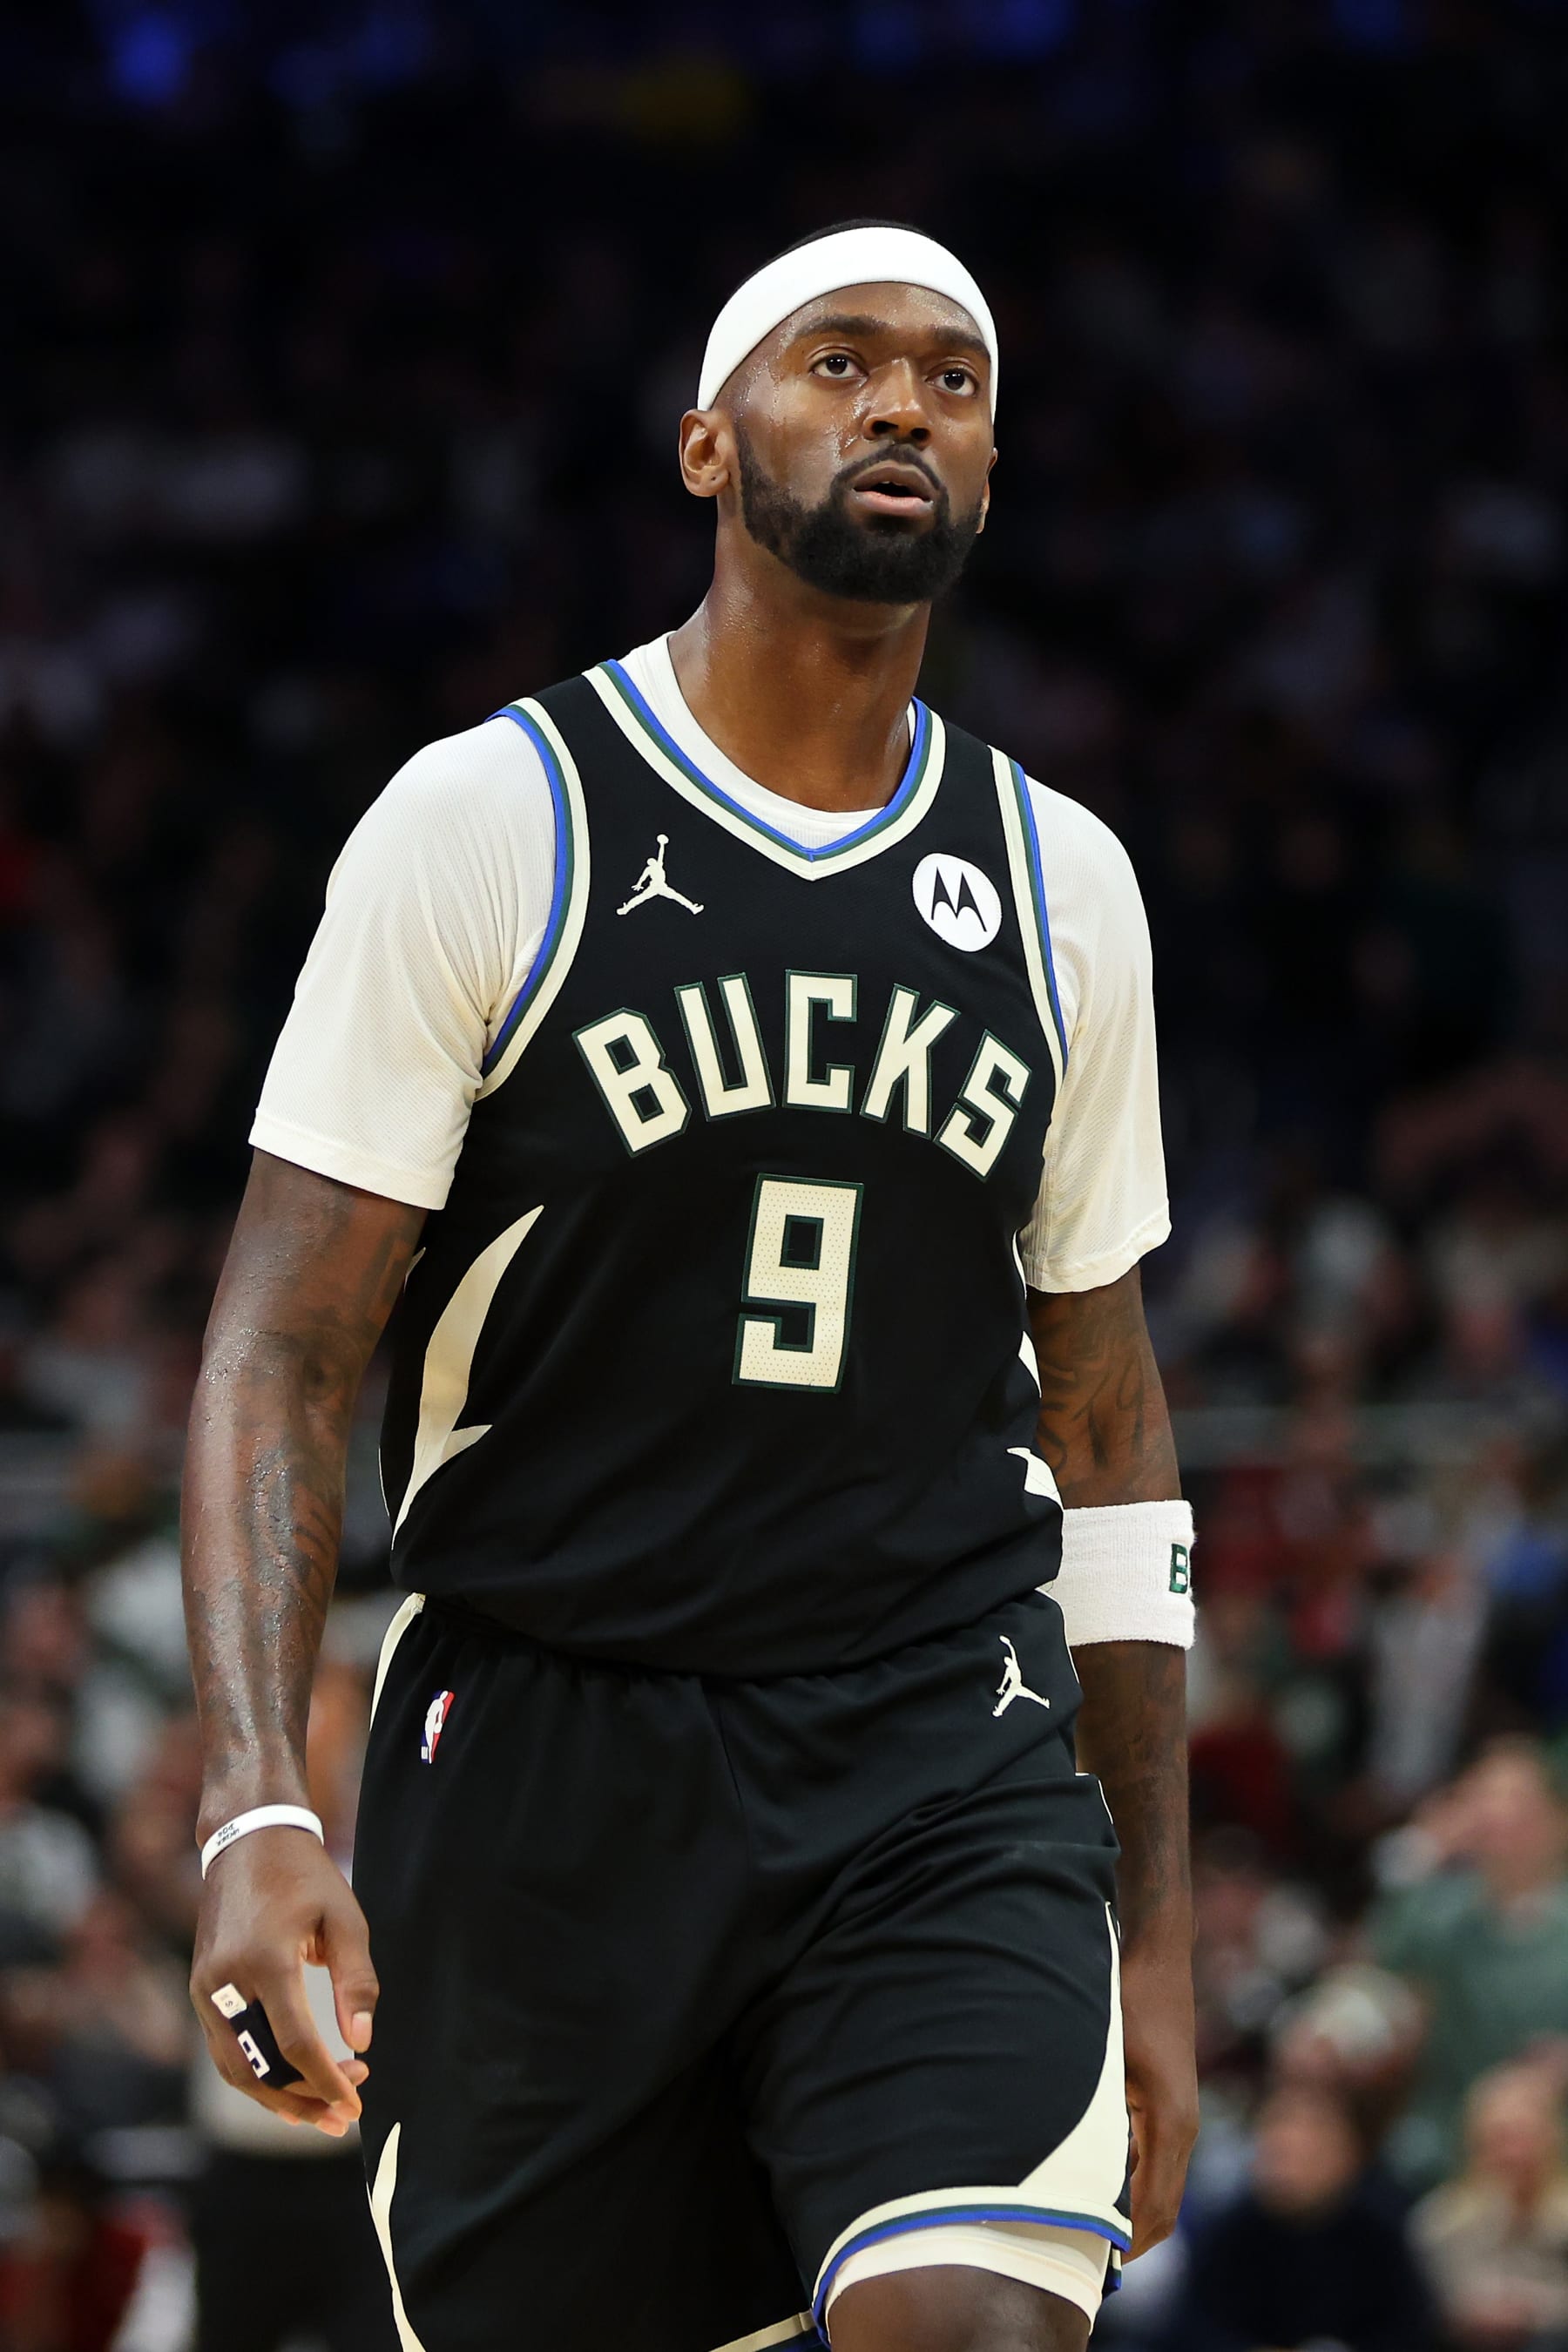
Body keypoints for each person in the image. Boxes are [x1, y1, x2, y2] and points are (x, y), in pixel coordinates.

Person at [180, 220, 1199, 2352]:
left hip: (939, 1736)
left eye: (951, 377)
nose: (904, 400)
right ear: (707, 444)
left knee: (970, 2320)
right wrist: (259, 1797)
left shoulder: (1058, 884)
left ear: (993, 474)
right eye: (840, 363)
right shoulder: (492, 819)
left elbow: (1105, 1422)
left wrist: (1162, 1939)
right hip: (553, 1751)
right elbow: (281, 1346)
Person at [1373, 1739, 1568, 2184]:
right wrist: (1422, 1848)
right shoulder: (1442, 1912)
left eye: (1517, 1802)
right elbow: (1386, 1959)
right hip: (1449, 2129)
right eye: (1484, 1797)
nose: (1497, 1816)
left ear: (1557, 1819)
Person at [1167, 2083, 1435, 2352]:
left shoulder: (1381, 2232)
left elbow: (1410, 2331)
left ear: (1349, 2155)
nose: (1287, 2171)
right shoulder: (1230, 2232)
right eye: (1278, 2154)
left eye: (1308, 2155)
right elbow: (1191, 2327)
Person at [1414, 2063, 1568, 2350]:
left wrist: (1531, 2312)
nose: (1513, 2153)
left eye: (1524, 2136)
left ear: (1550, 2138)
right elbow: (1430, 2302)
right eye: (1499, 2138)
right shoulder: (1440, 2222)